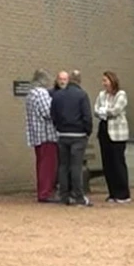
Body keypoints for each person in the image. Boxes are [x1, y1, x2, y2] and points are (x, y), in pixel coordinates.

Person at [50, 69, 94, 206]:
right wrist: (87, 131)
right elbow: (87, 116)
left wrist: (59, 127)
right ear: (79, 80)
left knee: (63, 166)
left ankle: (64, 196)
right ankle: (79, 196)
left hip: (62, 135)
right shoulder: (82, 95)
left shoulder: (57, 96)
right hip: (78, 135)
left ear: (69, 80)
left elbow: (53, 115)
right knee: (76, 166)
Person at [95, 70, 133, 204]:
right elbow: (96, 109)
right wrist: (102, 111)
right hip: (104, 129)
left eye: (105, 80)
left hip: (117, 133)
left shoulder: (121, 94)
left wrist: (104, 111)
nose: (103, 83)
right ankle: (112, 192)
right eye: (103, 81)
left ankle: (123, 193)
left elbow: (116, 110)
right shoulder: (101, 95)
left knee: (118, 162)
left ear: (112, 81)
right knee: (107, 163)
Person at [24, 70, 57, 202]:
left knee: (41, 164)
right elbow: (48, 112)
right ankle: (45, 193)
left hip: (36, 134)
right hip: (46, 134)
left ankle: (42, 190)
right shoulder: (42, 93)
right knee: (48, 166)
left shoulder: (30, 94)